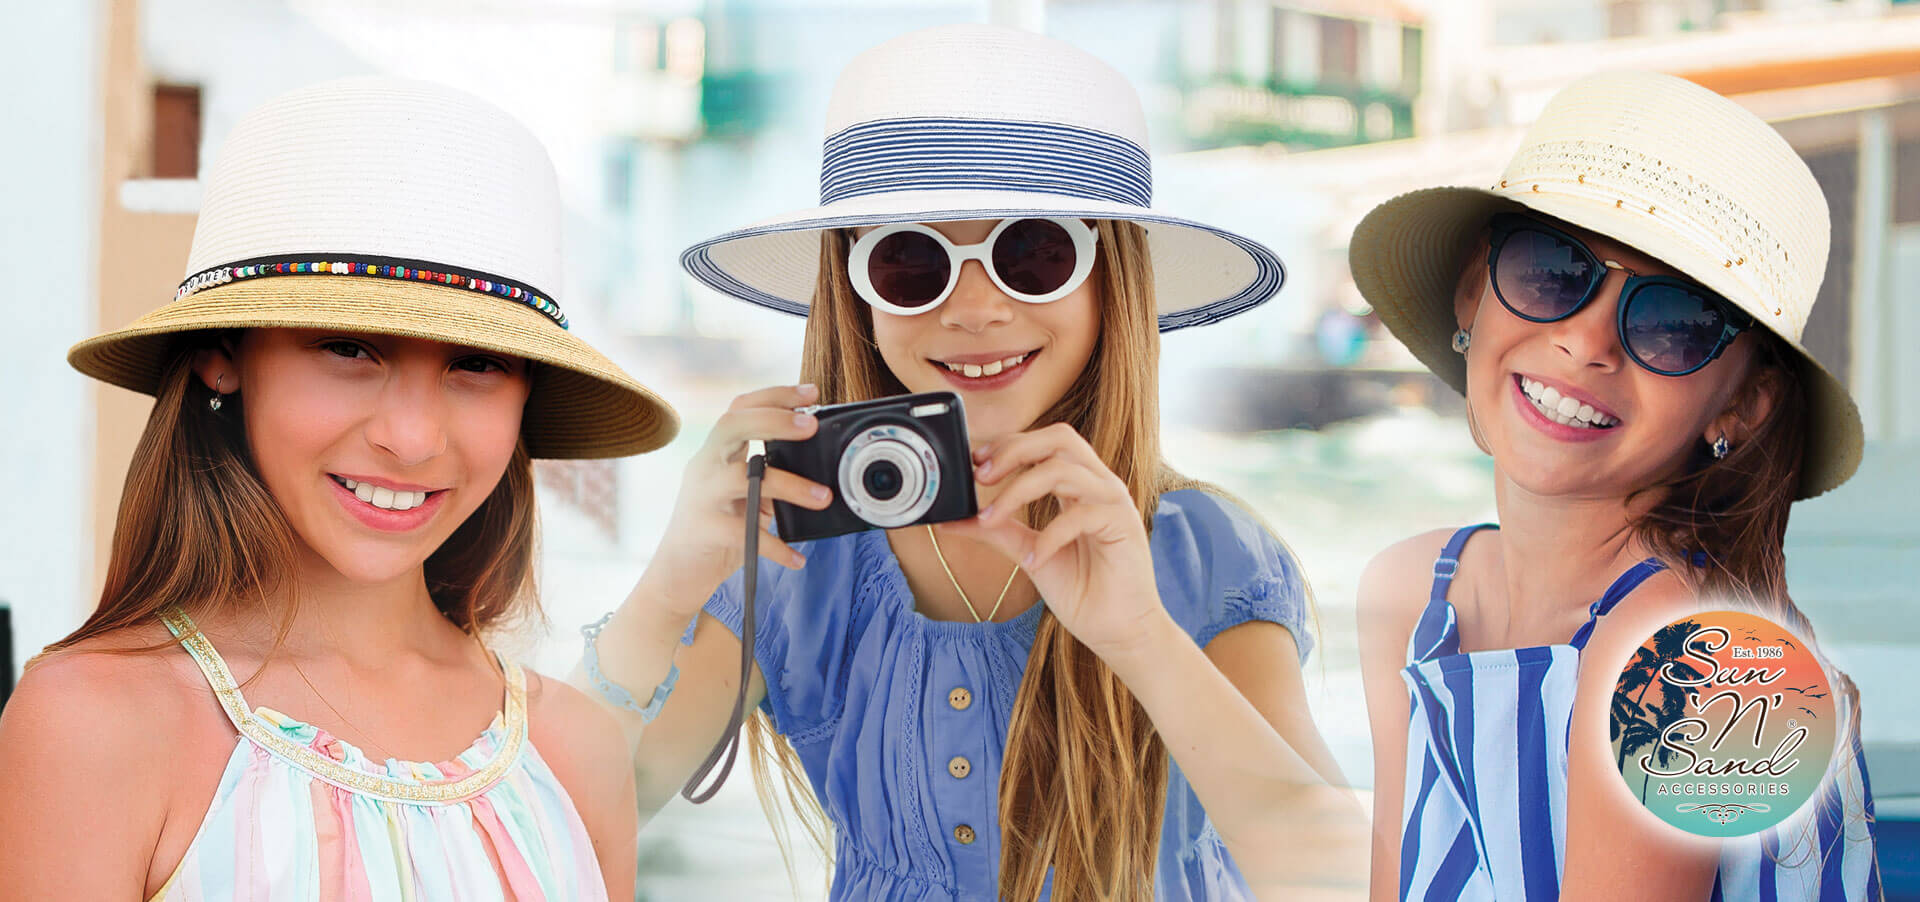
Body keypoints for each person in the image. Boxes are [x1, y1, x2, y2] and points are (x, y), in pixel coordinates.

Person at [574, 24, 1362, 902]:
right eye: (911, 262)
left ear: (1112, 285)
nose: (977, 307)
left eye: (1035, 253)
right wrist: (665, 593)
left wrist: (1141, 637)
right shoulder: (802, 568)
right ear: (854, 293)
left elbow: (1335, 875)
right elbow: (561, 827)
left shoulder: (1204, 554)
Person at [0, 77, 677, 900]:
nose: (414, 436)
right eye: (352, 348)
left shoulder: (575, 753)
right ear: (225, 353)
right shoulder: (93, 723)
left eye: (477, 363)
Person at [1350, 71, 1879, 900]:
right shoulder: (1409, 598)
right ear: (1470, 292)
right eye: (1549, 269)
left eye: (1674, 321)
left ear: (1743, 400)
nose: (1587, 341)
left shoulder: (1699, 663)